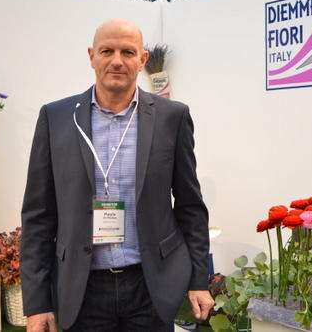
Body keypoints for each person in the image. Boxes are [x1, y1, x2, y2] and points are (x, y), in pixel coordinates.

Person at [20, 18, 214, 331]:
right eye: (107, 51)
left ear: (142, 59)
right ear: (91, 56)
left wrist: (198, 280)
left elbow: (190, 207)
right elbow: (38, 216)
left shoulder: (172, 117)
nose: (117, 61)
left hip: (151, 286)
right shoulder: (56, 118)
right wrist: (37, 302)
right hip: (82, 289)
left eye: (128, 52)